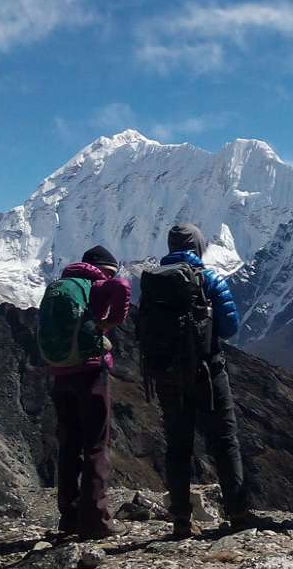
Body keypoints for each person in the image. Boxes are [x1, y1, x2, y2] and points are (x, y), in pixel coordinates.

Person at [140, 224, 263, 538]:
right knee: (224, 442)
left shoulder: (152, 282)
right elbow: (230, 327)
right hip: (207, 374)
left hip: (167, 376)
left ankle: (180, 519)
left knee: (178, 447)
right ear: (198, 245)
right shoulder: (208, 278)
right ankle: (238, 513)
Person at [46, 246, 132, 539]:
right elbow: (122, 286)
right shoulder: (97, 285)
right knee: (95, 445)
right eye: (110, 271)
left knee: (68, 445)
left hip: (60, 374)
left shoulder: (60, 285)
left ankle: (68, 518)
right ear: (103, 269)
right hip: (90, 373)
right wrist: (111, 322)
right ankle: (96, 520)